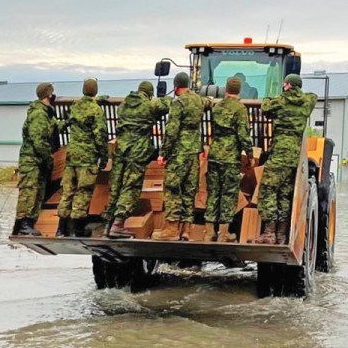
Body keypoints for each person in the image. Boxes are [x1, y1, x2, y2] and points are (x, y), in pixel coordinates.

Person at [254, 74, 317, 245]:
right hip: (294, 155)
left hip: (280, 152)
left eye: (285, 84)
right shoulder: (306, 102)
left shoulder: (280, 101)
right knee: (284, 194)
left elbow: (265, 107)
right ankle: (281, 234)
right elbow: (313, 97)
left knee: (268, 189)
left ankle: (269, 232)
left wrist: (268, 97)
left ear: (288, 85)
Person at [152, 72, 212, 241]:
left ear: (176, 87)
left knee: (172, 189)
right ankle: (186, 230)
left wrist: (163, 153)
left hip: (179, 153)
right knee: (188, 191)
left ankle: (171, 230)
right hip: (193, 153)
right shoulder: (198, 100)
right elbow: (208, 102)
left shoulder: (178, 103)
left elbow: (171, 131)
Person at [107, 81, 172, 238]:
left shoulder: (123, 105)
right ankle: (118, 224)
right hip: (137, 149)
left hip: (121, 147)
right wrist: (167, 99)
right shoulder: (149, 105)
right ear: (149, 94)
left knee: (117, 184)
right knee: (132, 185)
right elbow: (165, 105)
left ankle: (107, 223)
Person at [56, 78, 109, 237]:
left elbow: (67, 121)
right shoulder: (96, 110)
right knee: (83, 192)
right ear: (96, 91)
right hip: (87, 158)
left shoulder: (75, 107)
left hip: (72, 156)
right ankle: (77, 230)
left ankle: (61, 229)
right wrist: (104, 157)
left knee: (67, 191)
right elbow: (100, 135)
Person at [204, 77, 255, 242]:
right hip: (230, 157)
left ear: (226, 89)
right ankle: (224, 233)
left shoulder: (217, 107)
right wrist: (250, 154)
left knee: (213, 193)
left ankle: (209, 231)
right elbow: (243, 134)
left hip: (214, 155)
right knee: (228, 194)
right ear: (239, 91)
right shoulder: (240, 109)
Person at [13, 82, 62, 236]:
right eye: (52, 93)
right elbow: (38, 140)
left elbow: (54, 128)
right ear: (49, 95)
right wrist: (49, 158)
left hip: (38, 161)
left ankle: (28, 224)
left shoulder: (46, 113)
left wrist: (69, 122)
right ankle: (23, 225)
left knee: (37, 193)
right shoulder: (39, 114)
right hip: (32, 161)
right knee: (29, 192)